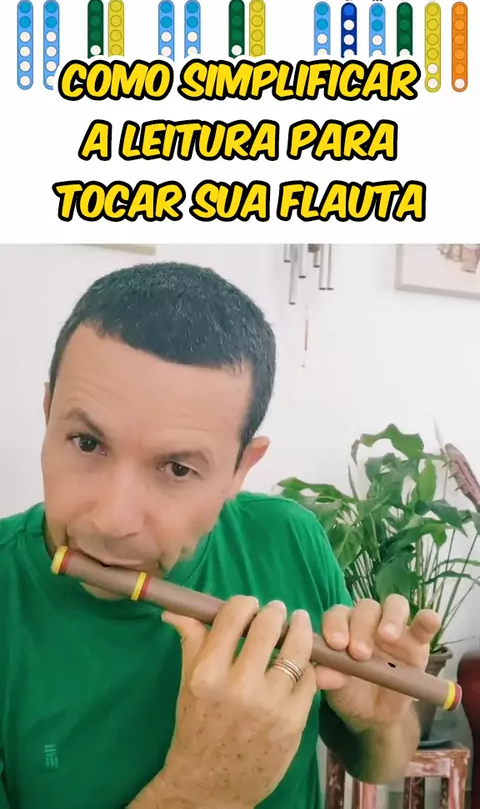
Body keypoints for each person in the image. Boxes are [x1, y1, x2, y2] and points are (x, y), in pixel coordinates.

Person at [0, 261, 440, 809]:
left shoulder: (287, 537)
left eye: (177, 468)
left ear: (240, 470)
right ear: (48, 415)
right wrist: (201, 790)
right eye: (87, 443)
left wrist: (378, 723)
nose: (113, 519)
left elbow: (381, 764)